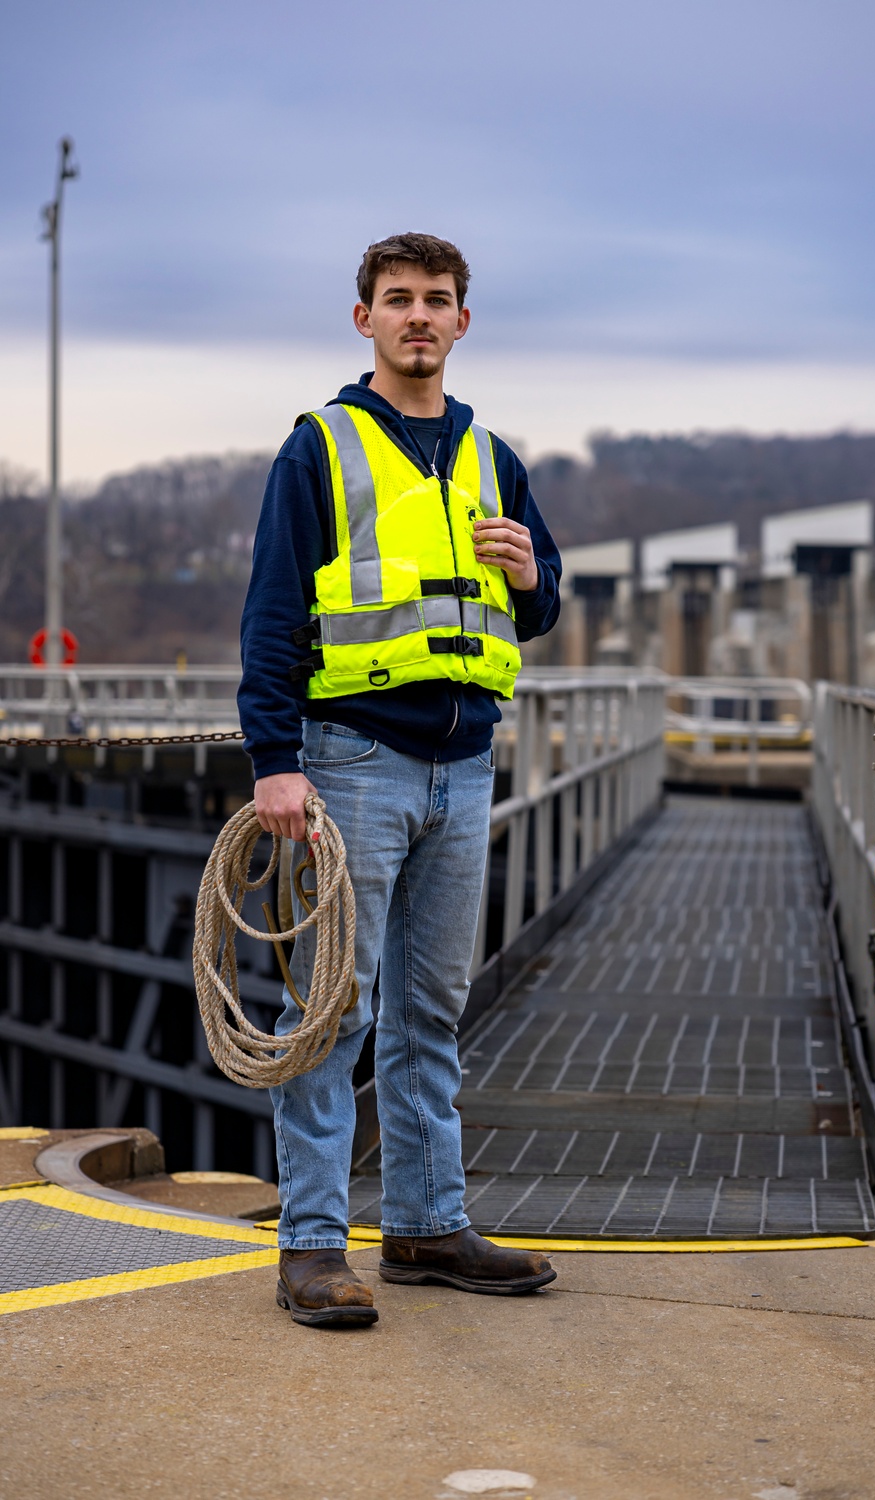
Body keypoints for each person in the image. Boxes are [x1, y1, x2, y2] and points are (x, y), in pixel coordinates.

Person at [239, 233, 562, 1328]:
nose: (417, 317)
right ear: (364, 318)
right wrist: (273, 763)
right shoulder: (318, 449)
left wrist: (533, 578)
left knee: (430, 1009)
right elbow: (274, 617)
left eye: (436, 301)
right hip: (352, 763)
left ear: (462, 323)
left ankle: (425, 1222)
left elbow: (538, 598)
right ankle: (315, 1245)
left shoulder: (491, 454)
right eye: (397, 300)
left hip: (463, 766)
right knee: (330, 1008)